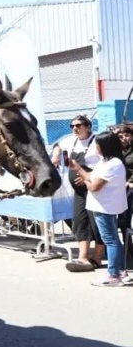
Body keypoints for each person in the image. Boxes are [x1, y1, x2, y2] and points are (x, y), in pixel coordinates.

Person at [68, 131, 132, 286]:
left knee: (110, 240)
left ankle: (113, 275)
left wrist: (85, 179)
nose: (95, 147)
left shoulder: (113, 164)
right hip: (104, 206)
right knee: (113, 240)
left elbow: (94, 186)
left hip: (104, 207)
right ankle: (120, 271)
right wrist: (78, 169)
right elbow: (92, 176)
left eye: (97, 144)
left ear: (104, 146)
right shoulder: (106, 161)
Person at [49, 115, 103, 272]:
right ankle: (83, 258)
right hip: (79, 193)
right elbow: (58, 144)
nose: (75, 128)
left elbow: (106, 165)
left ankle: (98, 258)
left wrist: (88, 176)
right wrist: (55, 154)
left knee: (97, 224)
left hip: (96, 190)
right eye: (72, 126)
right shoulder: (71, 141)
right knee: (80, 222)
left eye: (78, 125)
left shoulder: (97, 142)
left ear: (88, 127)